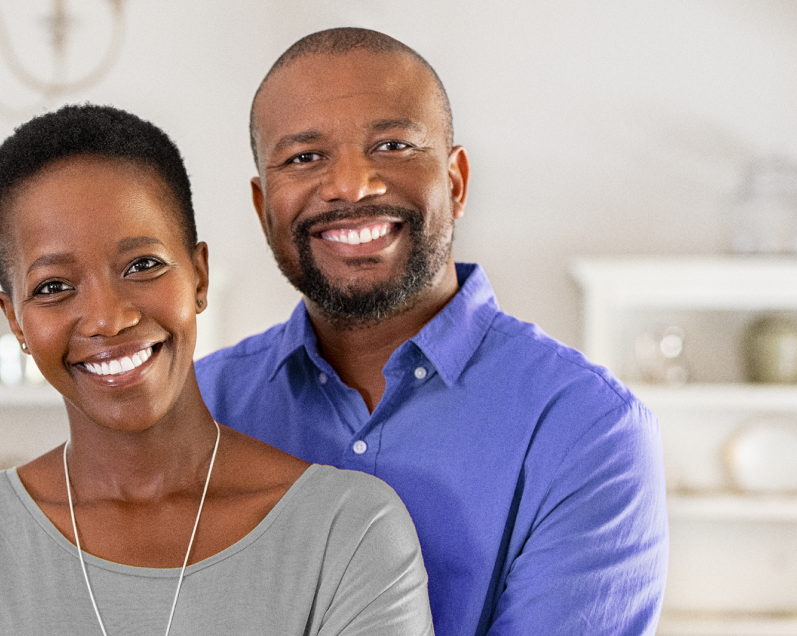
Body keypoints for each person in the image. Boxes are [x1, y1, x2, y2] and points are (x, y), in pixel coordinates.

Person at [0, 104, 434, 635]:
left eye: (143, 265)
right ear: (15, 320)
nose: (109, 319)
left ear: (199, 277)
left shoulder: (348, 532)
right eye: (54, 287)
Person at [195, 27, 668, 636]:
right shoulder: (199, 410)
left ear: (457, 182)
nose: (351, 184)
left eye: (392, 145)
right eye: (304, 157)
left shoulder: (587, 428)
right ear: (264, 207)